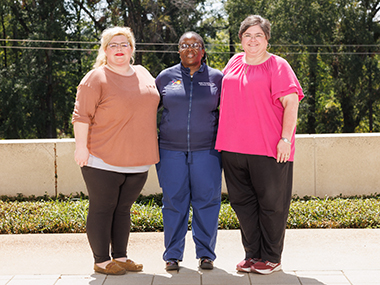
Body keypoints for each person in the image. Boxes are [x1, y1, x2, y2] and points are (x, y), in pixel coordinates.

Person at [215, 15, 304, 275]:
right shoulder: (233, 62)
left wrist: (285, 139)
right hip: (232, 148)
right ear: (240, 39)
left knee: (272, 205)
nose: (253, 40)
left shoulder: (278, 65)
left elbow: (291, 104)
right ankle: (253, 255)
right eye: (247, 35)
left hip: (269, 149)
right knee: (243, 204)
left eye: (258, 35)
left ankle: (271, 257)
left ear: (267, 39)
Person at [72, 26, 160, 275]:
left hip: (138, 161)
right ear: (105, 50)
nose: (119, 49)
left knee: (122, 210)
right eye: (113, 45)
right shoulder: (96, 77)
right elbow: (81, 116)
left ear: (132, 49)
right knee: (102, 208)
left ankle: (120, 257)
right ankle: (101, 260)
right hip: (101, 159)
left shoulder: (143, 73)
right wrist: (81, 147)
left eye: (124, 44)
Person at [155, 31, 223, 271]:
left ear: (203, 50)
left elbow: (229, 114)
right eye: (184, 45)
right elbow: (146, 110)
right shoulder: (165, 77)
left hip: (208, 152)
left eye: (195, 44)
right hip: (170, 152)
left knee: (207, 202)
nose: (190, 48)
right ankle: (172, 255)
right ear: (178, 50)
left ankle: (206, 254)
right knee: (174, 202)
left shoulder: (217, 78)